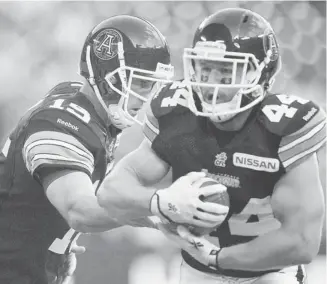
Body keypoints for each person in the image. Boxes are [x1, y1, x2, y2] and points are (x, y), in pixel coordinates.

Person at [97, 8, 326, 284]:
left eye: (227, 72)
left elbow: (302, 242)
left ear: (260, 75)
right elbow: (111, 191)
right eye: (205, 70)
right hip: (197, 271)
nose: (211, 85)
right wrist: (160, 203)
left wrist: (217, 258)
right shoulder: (177, 112)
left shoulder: (282, 127)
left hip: (268, 272)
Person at [0, 14, 173, 284]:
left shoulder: (89, 111)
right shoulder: (61, 125)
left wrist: (57, 241)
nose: (147, 94)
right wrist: (159, 204)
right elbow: (80, 211)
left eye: (151, 84)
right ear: (107, 77)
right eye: (141, 82)